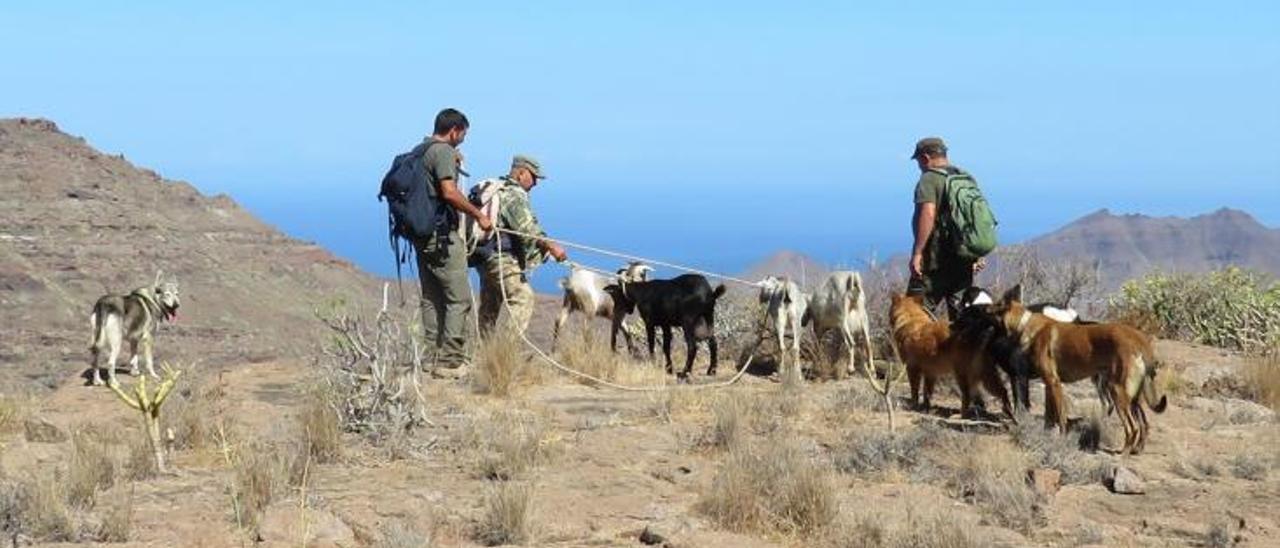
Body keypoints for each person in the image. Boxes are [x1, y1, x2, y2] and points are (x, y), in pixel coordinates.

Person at [417, 108, 491, 378]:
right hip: (442, 237)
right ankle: (450, 361)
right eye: (463, 134)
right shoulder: (443, 152)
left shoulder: (421, 150)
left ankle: (430, 357)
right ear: (454, 131)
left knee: (431, 298)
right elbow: (448, 192)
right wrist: (478, 215)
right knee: (458, 299)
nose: (463, 140)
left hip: (421, 235)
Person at [474, 155, 567, 334]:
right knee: (523, 298)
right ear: (521, 173)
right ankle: (505, 353)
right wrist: (551, 246)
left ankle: (485, 354)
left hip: (485, 256)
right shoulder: (514, 195)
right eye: (534, 177)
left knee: (489, 307)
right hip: (502, 258)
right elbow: (527, 229)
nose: (535, 183)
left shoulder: (499, 189)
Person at [907, 136, 987, 320]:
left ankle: (918, 350)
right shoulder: (966, 178)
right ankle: (959, 349)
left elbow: (927, 213)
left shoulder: (929, 179)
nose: (919, 166)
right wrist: (977, 253)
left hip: (935, 262)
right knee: (960, 321)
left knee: (913, 315)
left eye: (919, 161)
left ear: (926, 158)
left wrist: (918, 253)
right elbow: (977, 218)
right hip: (963, 262)